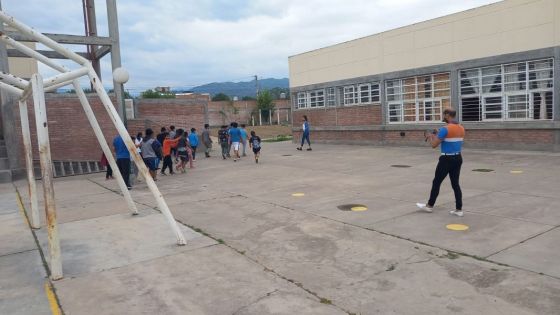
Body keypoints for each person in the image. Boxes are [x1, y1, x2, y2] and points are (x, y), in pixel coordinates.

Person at [417, 108, 465, 217]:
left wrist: (430, 137)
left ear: (448, 115)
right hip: (458, 158)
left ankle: (429, 206)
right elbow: (450, 139)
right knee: (455, 184)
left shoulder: (445, 129)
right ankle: (459, 209)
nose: (443, 117)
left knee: (436, 182)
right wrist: (438, 134)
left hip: (446, 160)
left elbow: (434, 145)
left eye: (444, 115)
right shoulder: (461, 128)